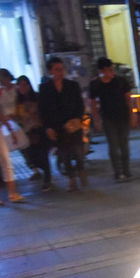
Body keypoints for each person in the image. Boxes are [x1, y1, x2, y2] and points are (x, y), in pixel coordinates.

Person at [39, 57, 87, 192]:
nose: (60, 72)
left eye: (62, 69)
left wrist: (78, 119)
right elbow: (42, 110)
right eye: (57, 69)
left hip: (73, 123)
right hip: (57, 126)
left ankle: (81, 168)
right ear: (51, 71)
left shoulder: (72, 85)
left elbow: (79, 104)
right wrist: (48, 127)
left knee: (78, 151)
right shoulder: (45, 88)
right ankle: (72, 179)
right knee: (64, 153)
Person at [88, 57, 134, 181]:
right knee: (113, 146)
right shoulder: (95, 84)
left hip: (123, 117)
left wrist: (132, 114)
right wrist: (96, 120)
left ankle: (126, 170)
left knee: (124, 146)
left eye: (112, 69)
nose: (111, 72)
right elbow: (92, 103)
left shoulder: (120, 81)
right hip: (108, 118)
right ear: (101, 71)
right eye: (108, 70)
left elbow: (128, 99)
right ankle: (117, 172)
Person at [15, 75, 52, 191]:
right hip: (27, 132)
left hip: (39, 129)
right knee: (32, 156)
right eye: (20, 85)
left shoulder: (37, 97)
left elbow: (44, 111)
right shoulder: (18, 101)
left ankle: (47, 178)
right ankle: (40, 171)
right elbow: (17, 116)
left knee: (43, 154)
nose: (23, 87)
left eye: (25, 84)